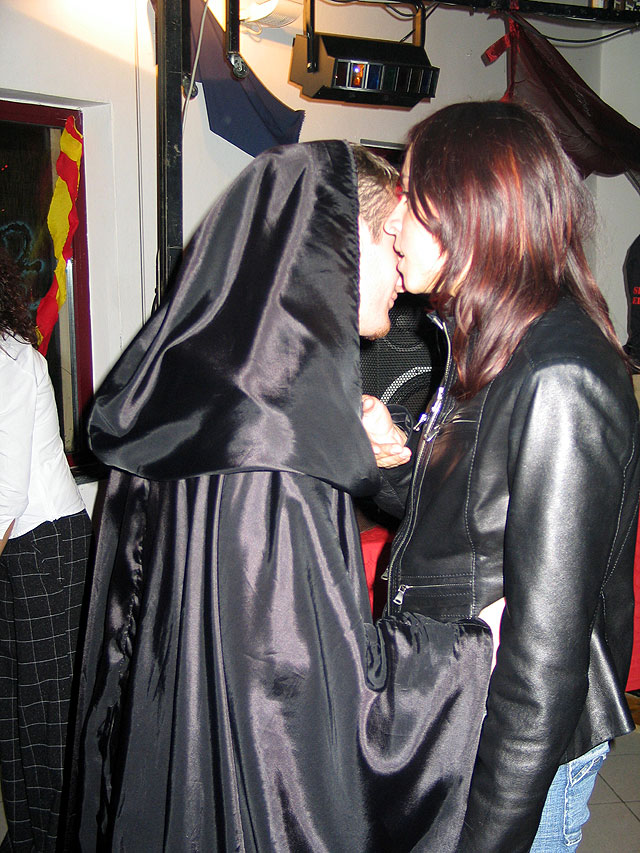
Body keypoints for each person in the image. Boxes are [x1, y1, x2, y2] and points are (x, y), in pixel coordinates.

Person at [69, 141, 497, 852]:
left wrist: (350, 440)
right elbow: (306, 700)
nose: (408, 274)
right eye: (393, 241)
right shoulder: (277, 457)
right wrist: (468, 651)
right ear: (335, 243)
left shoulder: (193, 393)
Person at [362, 100, 640, 853]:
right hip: (462, 704)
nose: (393, 223)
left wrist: (489, 836)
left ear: (470, 210)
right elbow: (467, 521)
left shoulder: (560, 374)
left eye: (413, 198)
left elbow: (543, 657)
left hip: (510, 742)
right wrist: (386, 454)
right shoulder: (491, 338)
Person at [0, 248, 92, 853]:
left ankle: (60, 840)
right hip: (18, 549)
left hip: (46, 550)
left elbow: (5, 492)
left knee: (49, 715)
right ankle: (30, 837)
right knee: (14, 709)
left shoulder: (10, 357)